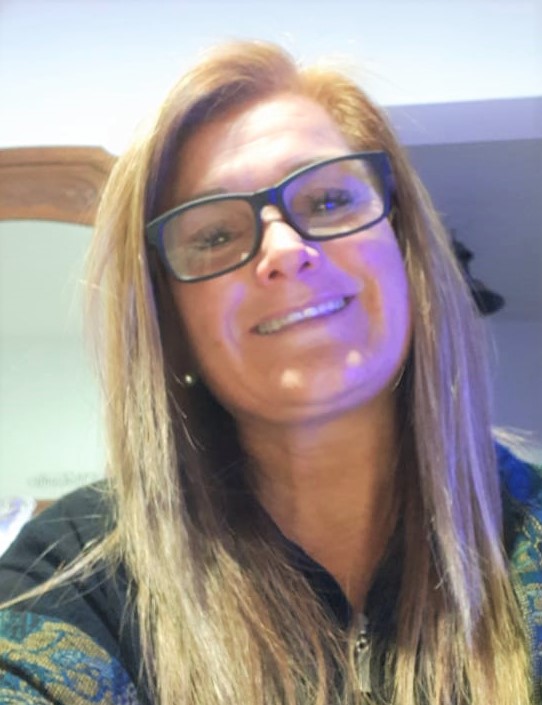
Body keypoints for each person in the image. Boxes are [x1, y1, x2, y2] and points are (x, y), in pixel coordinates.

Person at [0, 40, 540, 705]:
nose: (285, 249)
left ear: (406, 251)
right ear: (171, 326)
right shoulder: (73, 576)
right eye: (214, 235)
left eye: (330, 200)